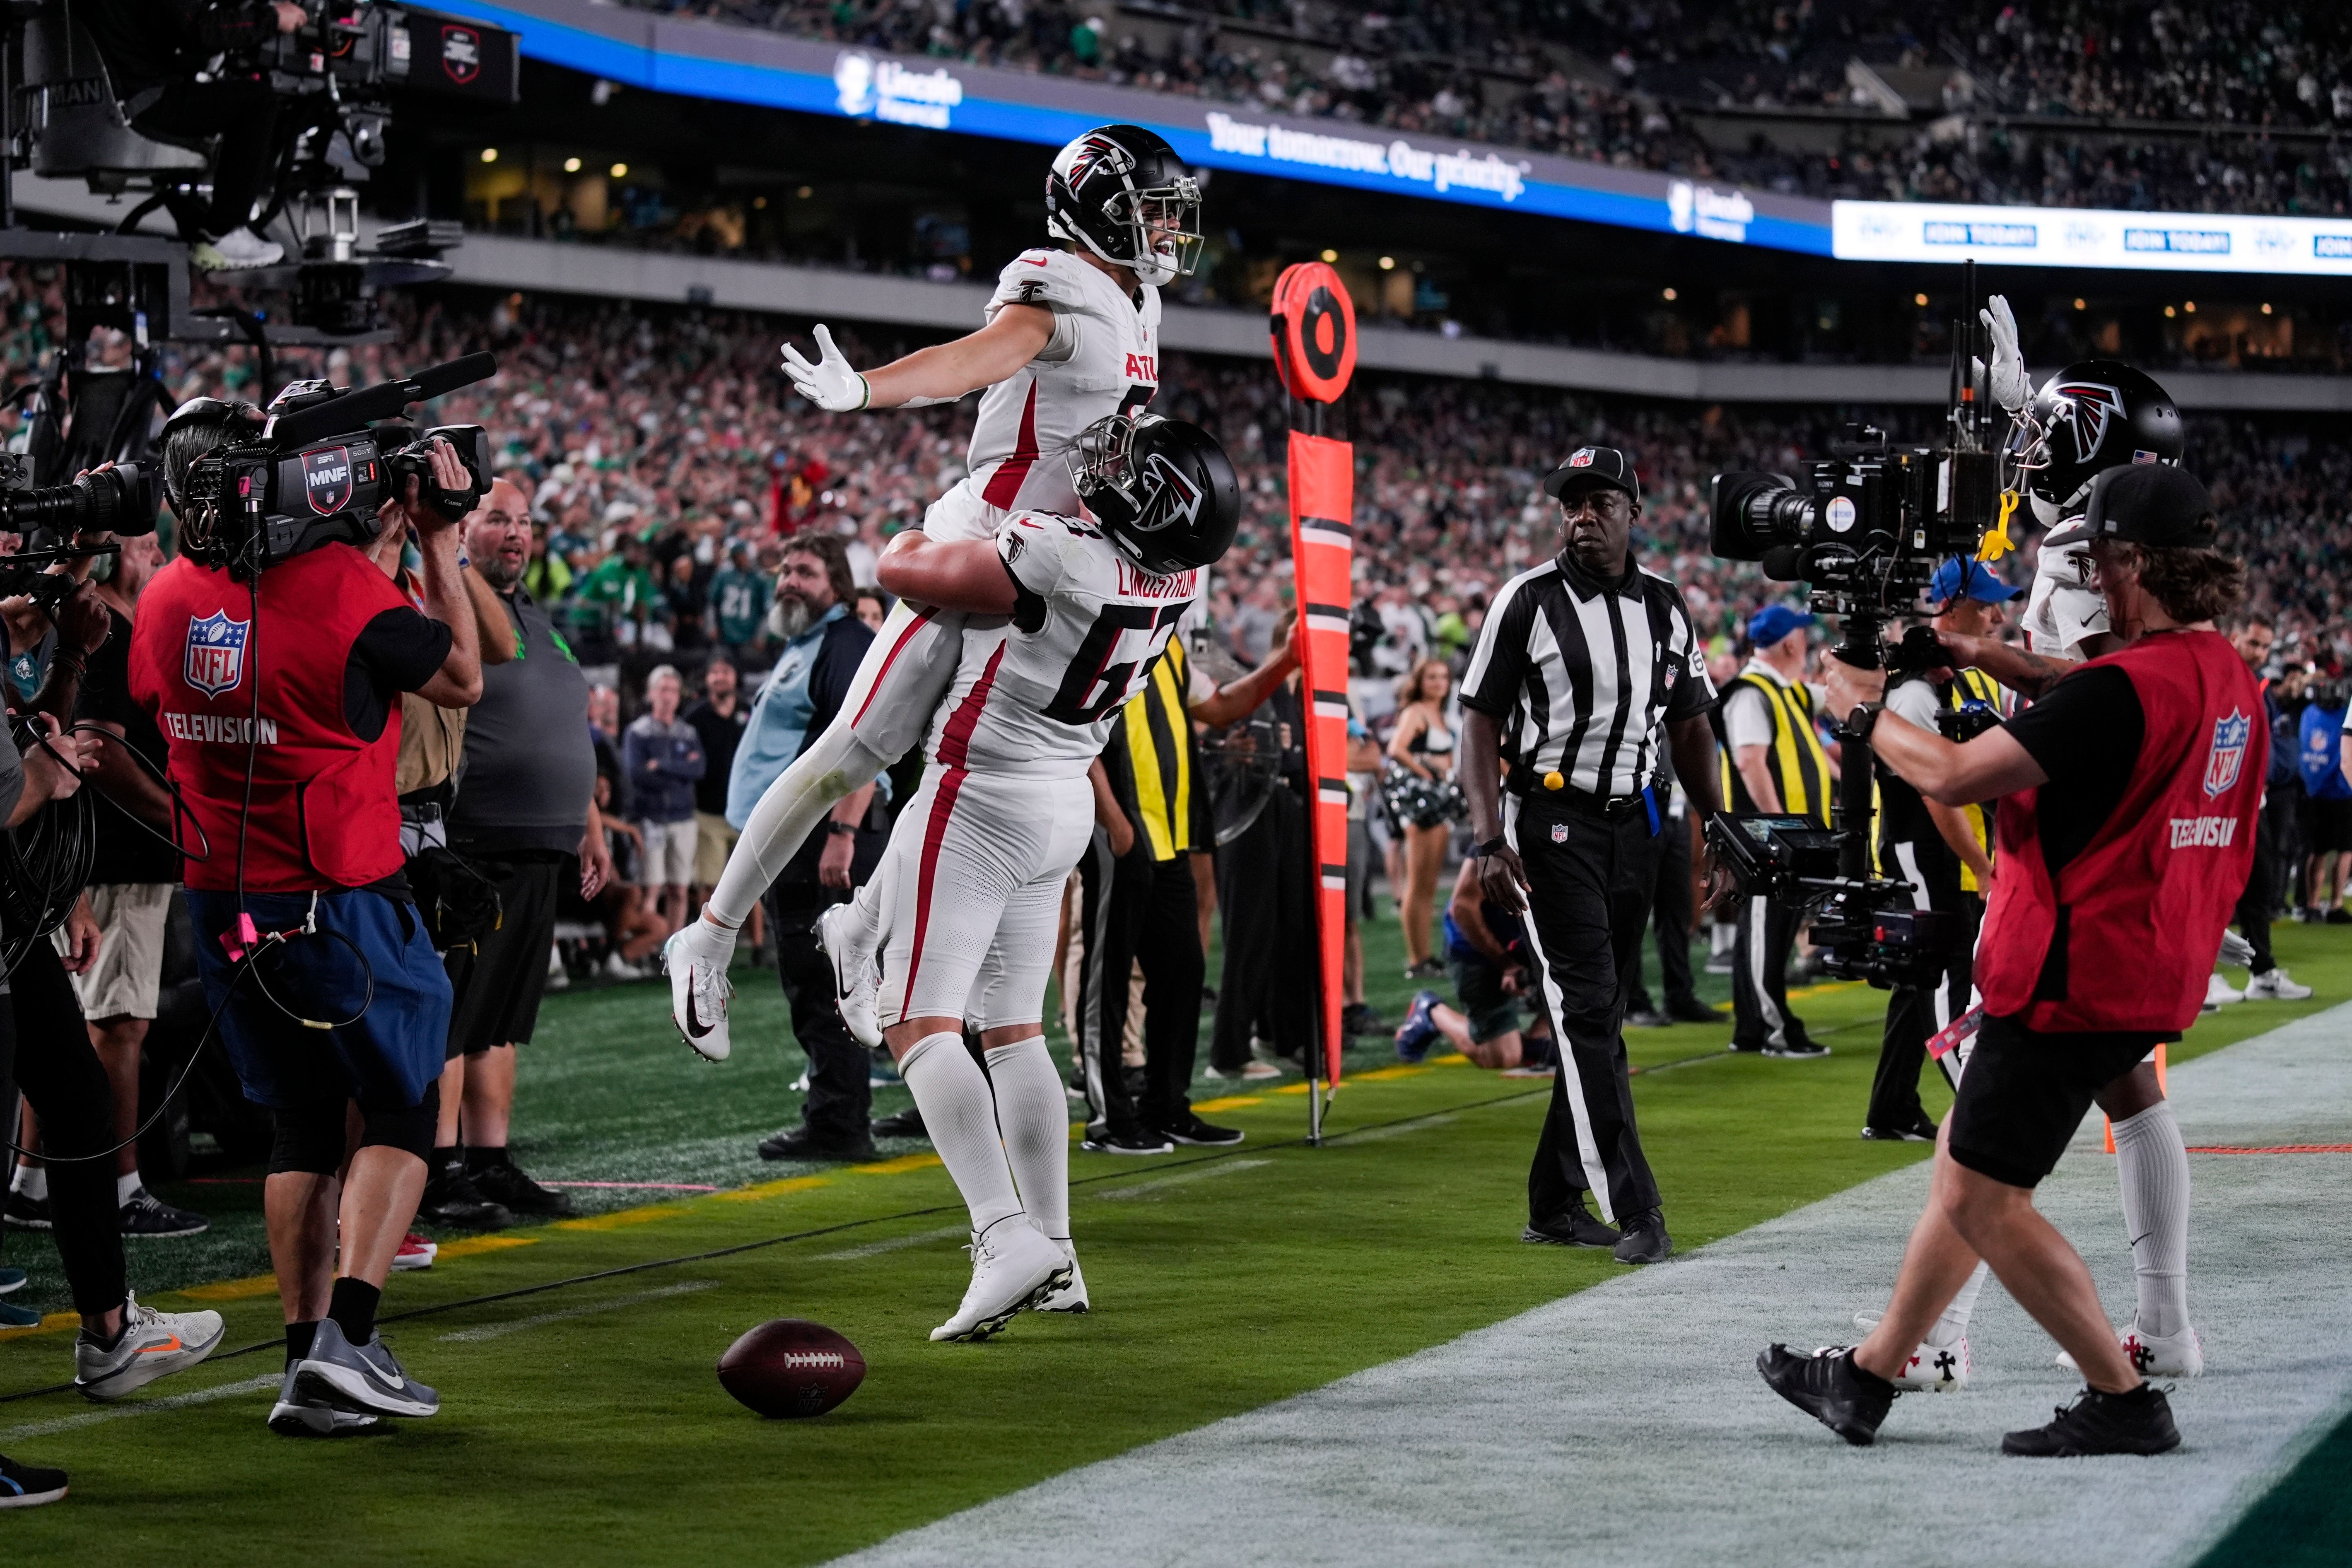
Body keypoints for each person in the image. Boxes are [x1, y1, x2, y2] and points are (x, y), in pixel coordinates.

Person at [664, 122, 1200, 1059]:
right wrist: (865, 390)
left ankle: (860, 926)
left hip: (1059, 561)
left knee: (968, 764)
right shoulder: (1055, 286)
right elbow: (976, 358)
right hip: (983, 545)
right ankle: (706, 935)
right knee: (854, 750)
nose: (1163, 231)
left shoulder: (1136, 298)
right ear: (1096, 212)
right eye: (1148, 212)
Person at [1762, 463, 2258, 1457]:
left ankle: (2121, 1395)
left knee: (1984, 1195)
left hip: (2072, 970)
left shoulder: (2124, 686)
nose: (2092, 586)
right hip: (2143, 963)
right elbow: (2112, 698)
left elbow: (1950, 771)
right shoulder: (2220, 671)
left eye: (2101, 563)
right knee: (1964, 1156)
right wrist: (1996, 658)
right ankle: (1867, 1376)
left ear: (2132, 563)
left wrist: (1862, 708)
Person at [818, 413, 1235, 1341]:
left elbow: (901, 569)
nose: (1103, 465)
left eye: (1127, 465)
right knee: (1011, 1032)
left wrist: (910, 531)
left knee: (912, 1018)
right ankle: (1057, 1251)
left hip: (982, 794)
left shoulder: (1054, 553)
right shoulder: (1184, 578)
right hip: (1062, 807)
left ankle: (1002, 1232)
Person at [131, 403, 483, 1435]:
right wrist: (435, 538)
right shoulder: (338, 589)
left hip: (223, 893)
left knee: (299, 1122)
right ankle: (351, 1337)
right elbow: (460, 676)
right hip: (340, 889)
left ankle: (303, 1358)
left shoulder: (161, 599)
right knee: (404, 1102)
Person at [1458, 446, 1722, 1267]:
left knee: (1598, 1015)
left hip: (1631, 826)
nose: (1581, 515)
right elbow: (1476, 720)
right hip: (1545, 823)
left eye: (1598, 501)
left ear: (1632, 511)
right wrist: (1485, 836)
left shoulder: (1667, 609)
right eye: (1569, 503)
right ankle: (1634, 1203)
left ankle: (1550, 1200)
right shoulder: (1526, 601)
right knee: (1588, 1005)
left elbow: (1689, 723)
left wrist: (1716, 822)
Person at [2, 569, 224, 1405]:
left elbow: (33, 736)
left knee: (80, 1103)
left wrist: (66, 656)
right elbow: (15, 781)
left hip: (12, 919)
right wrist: (40, 779)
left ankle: (108, 1332)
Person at [427, 477, 611, 1230]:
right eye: (498, 518)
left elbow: (562, 724)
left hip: (541, 841)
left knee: (500, 1018)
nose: (517, 532)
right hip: (473, 838)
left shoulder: (536, 614)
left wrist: (589, 820)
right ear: (462, 529)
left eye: (525, 521)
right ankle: (436, 1169)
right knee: (453, 1017)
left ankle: (489, 1160)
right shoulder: (450, 597)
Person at [26, 530, 208, 1237]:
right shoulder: (103, 625)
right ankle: (119, 1183)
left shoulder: (103, 621)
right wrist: (186, 824)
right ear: (108, 554)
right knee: (118, 1026)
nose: (155, 548)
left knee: (78, 1022)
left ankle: (31, 1179)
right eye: (137, 539)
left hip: (99, 856)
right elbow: (101, 750)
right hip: (116, 855)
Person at [724, 535, 885, 1162]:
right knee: (812, 983)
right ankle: (833, 1115)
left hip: (822, 839)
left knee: (827, 984)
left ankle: (841, 1124)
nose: (790, 580)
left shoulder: (845, 643)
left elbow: (871, 739)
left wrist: (843, 833)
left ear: (837, 584)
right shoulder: (808, 642)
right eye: (785, 570)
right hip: (796, 840)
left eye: (806, 571)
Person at [1862, 558, 2017, 1143]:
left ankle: (1891, 1107)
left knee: (1920, 975)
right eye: (1985, 604)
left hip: (1949, 848)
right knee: (1945, 970)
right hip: (1926, 850)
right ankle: (1977, 1111)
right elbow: (1934, 791)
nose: (1998, 614)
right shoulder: (1912, 692)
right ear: (1948, 608)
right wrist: (1981, 864)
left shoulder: (1960, 677)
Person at [1072, 627, 1236, 1155]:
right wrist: (1115, 823)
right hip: (1122, 837)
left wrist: (1287, 659)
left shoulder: (1171, 644)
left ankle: (1166, 1106)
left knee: (1183, 973)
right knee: (1109, 978)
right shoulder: (1107, 634)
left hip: (1170, 839)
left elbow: (1221, 707)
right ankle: (1107, 1118)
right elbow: (1076, 731)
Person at [81, 0, 302, 268]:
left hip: (106, 101)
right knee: (259, 102)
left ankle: (198, 226)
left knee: (199, 87)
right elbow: (202, 30)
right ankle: (222, 232)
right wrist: (272, 18)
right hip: (143, 104)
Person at [1718, 604, 1834, 1059]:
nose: (1806, 643)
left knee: (1773, 929)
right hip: (1770, 838)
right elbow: (1749, 762)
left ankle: (1753, 1028)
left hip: (1786, 837)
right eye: (1802, 637)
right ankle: (1773, 1028)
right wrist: (1780, 828)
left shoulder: (1785, 691)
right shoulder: (1752, 692)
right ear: (1789, 643)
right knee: (1767, 928)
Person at [1393, 856, 1559, 1076]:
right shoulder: (1501, 836)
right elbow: (1463, 907)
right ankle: (1431, 1011)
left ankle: (1538, 1038)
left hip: (1533, 944)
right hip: (1481, 949)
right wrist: (1507, 965)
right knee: (1503, 1056)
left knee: (1597, 971)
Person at [2218, 615, 2309, 998]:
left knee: (2260, 886)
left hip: (2254, 802)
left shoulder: (2259, 686)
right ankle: (2201, 977)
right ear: (2235, 637)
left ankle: (2262, 973)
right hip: (2221, 803)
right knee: (2215, 888)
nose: (2259, 653)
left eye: (2266, 647)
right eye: (2254, 644)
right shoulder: (2220, 676)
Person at [1386, 656, 1461, 980]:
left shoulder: (1440, 714)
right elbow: (1396, 749)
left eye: (1443, 677)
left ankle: (1426, 956)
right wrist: (1428, 773)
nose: (1438, 683)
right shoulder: (1415, 712)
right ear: (1419, 681)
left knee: (1429, 886)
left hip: (1439, 802)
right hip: (1421, 803)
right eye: (1431, 677)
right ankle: (1416, 960)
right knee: (1416, 885)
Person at [625, 666, 705, 943]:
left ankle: (674, 948)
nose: (668, 696)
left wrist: (662, 766)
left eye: (673, 690)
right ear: (651, 694)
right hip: (651, 818)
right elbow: (638, 775)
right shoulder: (638, 732)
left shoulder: (688, 732)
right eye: (662, 689)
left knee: (680, 889)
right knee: (651, 888)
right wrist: (680, 771)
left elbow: (699, 770)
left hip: (683, 818)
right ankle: (647, 945)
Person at [684, 657, 748, 920]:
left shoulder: (750, 713)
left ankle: (757, 946)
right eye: (714, 672)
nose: (720, 677)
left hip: (746, 810)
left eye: (726, 671)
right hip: (708, 810)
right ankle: (705, 939)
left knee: (749, 884)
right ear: (707, 679)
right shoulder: (695, 717)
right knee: (709, 884)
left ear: (735, 677)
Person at [2296, 680, 2351, 921]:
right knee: (2345, 850)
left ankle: (2313, 905)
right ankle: (2335, 904)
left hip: (2314, 791)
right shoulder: (2343, 714)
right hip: (2342, 790)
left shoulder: (2309, 713)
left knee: (2318, 851)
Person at [708, 539, 771, 669]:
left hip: (749, 634)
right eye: (736, 556)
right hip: (725, 633)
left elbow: (766, 610)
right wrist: (712, 625)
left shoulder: (758, 579)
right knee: (722, 665)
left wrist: (761, 635)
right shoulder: (723, 576)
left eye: (742, 555)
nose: (740, 559)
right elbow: (712, 603)